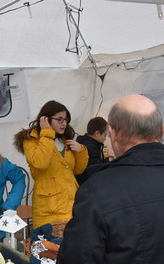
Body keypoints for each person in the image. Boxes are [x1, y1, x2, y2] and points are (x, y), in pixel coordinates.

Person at [57, 94, 164, 264]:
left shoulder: (97, 190)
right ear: (162, 130)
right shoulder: (98, 189)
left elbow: (78, 258)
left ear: (112, 134)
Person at [13, 100, 88, 230]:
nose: (64, 123)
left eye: (66, 119)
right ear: (46, 119)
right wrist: (47, 132)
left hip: (71, 202)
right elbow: (40, 163)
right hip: (49, 207)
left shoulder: (64, 139)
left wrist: (81, 151)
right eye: (59, 119)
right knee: (48, 247)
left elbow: (77, 170)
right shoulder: (31, 139)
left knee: (71, 246)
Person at [75, 117, 109, 185]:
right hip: (85, 184)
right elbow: (95, 170)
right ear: (97, 133)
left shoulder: (95, 144)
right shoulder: (90, 147)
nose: (105, 139)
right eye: (105, 135)